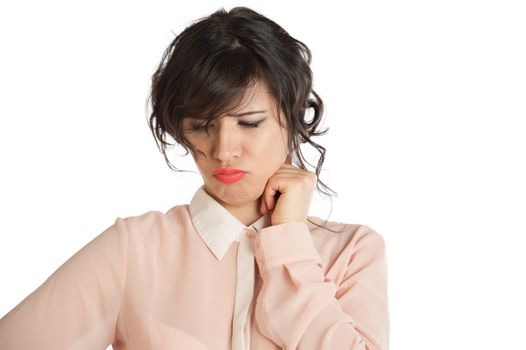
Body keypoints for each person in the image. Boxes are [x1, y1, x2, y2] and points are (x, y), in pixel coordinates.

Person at [0, 6, 389, 350]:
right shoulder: (134, 250)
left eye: (249, 123)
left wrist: (288, 238)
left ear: (291, 118)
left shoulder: (351, 251)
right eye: (202, 125)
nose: (223, 149)